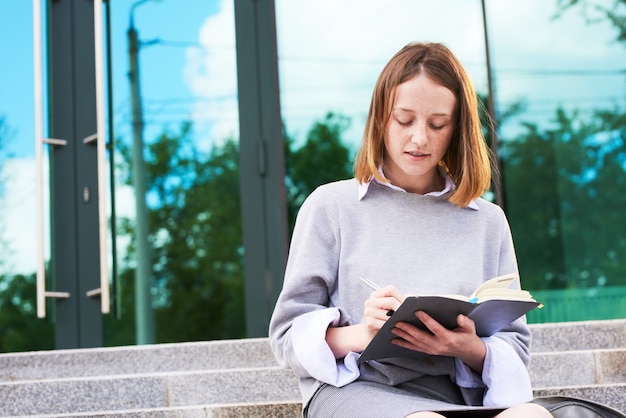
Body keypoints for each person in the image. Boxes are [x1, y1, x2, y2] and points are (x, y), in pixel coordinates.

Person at [268, 42, 552, 418]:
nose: (419, 138)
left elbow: (514, 346)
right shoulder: (331, 206)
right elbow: (286, 336)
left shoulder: (487, 220)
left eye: (438, 124)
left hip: (454, 397)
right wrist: (362, 334)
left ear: (457, 129)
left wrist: (466, 346)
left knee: (532, 416)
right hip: (357, 390)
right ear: (380, 119)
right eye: (404, 120)